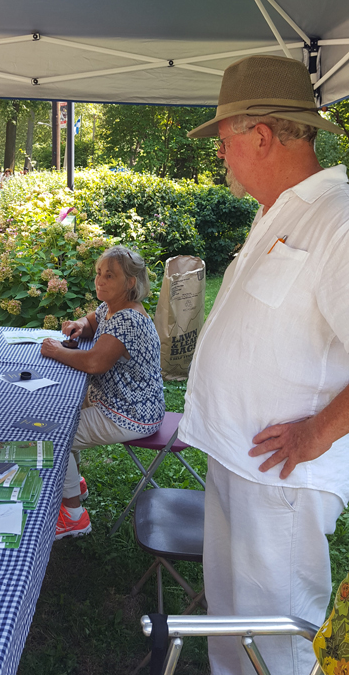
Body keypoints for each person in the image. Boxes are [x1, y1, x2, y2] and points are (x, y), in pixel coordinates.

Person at [178, 54, 349, 675]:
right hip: (241, 461)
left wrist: (314, 433)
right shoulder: (281, 209)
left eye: (225, 140)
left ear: (262, 135)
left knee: (274, 644)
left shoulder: (337, 218)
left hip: (282, 478)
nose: (220, 154)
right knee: (236, 632)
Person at [41, 246, 165, 539]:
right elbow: (93, 320)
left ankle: (73, 516)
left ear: (130, 282)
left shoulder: (128, 319)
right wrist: (79, 325)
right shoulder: (112, 307)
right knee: (58, 412)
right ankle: (74, 484)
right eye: (98, 273)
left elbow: (95, 362)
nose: (100, 281)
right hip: (124, 403)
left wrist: (57, 350)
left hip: (130, 413)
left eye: (110, 276)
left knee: (53, 435)